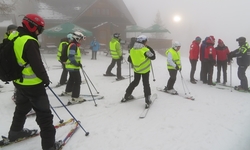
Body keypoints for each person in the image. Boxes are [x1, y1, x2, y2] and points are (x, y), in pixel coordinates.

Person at [7, 14, 62, 150]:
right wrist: (45, 78)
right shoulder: (29, 41)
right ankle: (49, 146)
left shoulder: (14, 36)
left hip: (19, 83)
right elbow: (37, 65)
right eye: (40, 29)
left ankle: (15, 133)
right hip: (33, 85)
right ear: (31, 26)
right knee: (44, 116)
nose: (39, 32)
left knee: (21, 108)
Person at [121, 35, 156, 107]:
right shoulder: (145, 50)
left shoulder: (132, 49)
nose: (147, 42)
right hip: (145, 70)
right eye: (146, 41)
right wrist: (149, 48)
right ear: (143, 42)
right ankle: (147, 100)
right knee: (146, 84)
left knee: (135, 82)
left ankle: (127, 95)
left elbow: (129, 59)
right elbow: (153, 57)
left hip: (137, 70)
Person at [61, 31, 86, 103]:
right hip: (73, 66)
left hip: (70, 66)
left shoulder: (73, 45)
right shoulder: (73, 45)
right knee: (78, 81)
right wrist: (76, 64)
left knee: (72, 79)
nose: (81, 41)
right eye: (81, 39)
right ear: (77, 38)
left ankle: (68, 91)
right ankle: (75, 97)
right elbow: (71, 57)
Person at [0, 24, 18, 89]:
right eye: (11, 31)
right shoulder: (6, 39)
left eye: (14, 31)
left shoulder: (19, 38)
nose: (13, 33)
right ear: (8, 32)